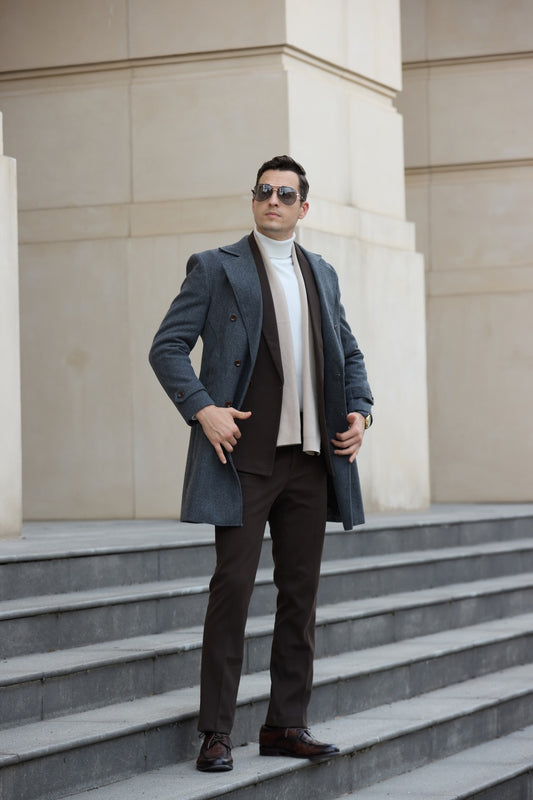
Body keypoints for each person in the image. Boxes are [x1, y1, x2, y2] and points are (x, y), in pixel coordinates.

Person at [149, 155, 373, 772]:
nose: (272, 200)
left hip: (310, 462)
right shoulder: (216, 268)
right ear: (254, 200)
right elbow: (166, 347)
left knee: (300, 599)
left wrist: (361, 413)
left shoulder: (321, 273)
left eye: (285, 193)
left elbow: (350, 355)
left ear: (304, 207)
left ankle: (285, 725)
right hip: (243, 460)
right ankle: (216, 732)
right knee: (233, 594)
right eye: (263, 191)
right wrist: (202, 409)